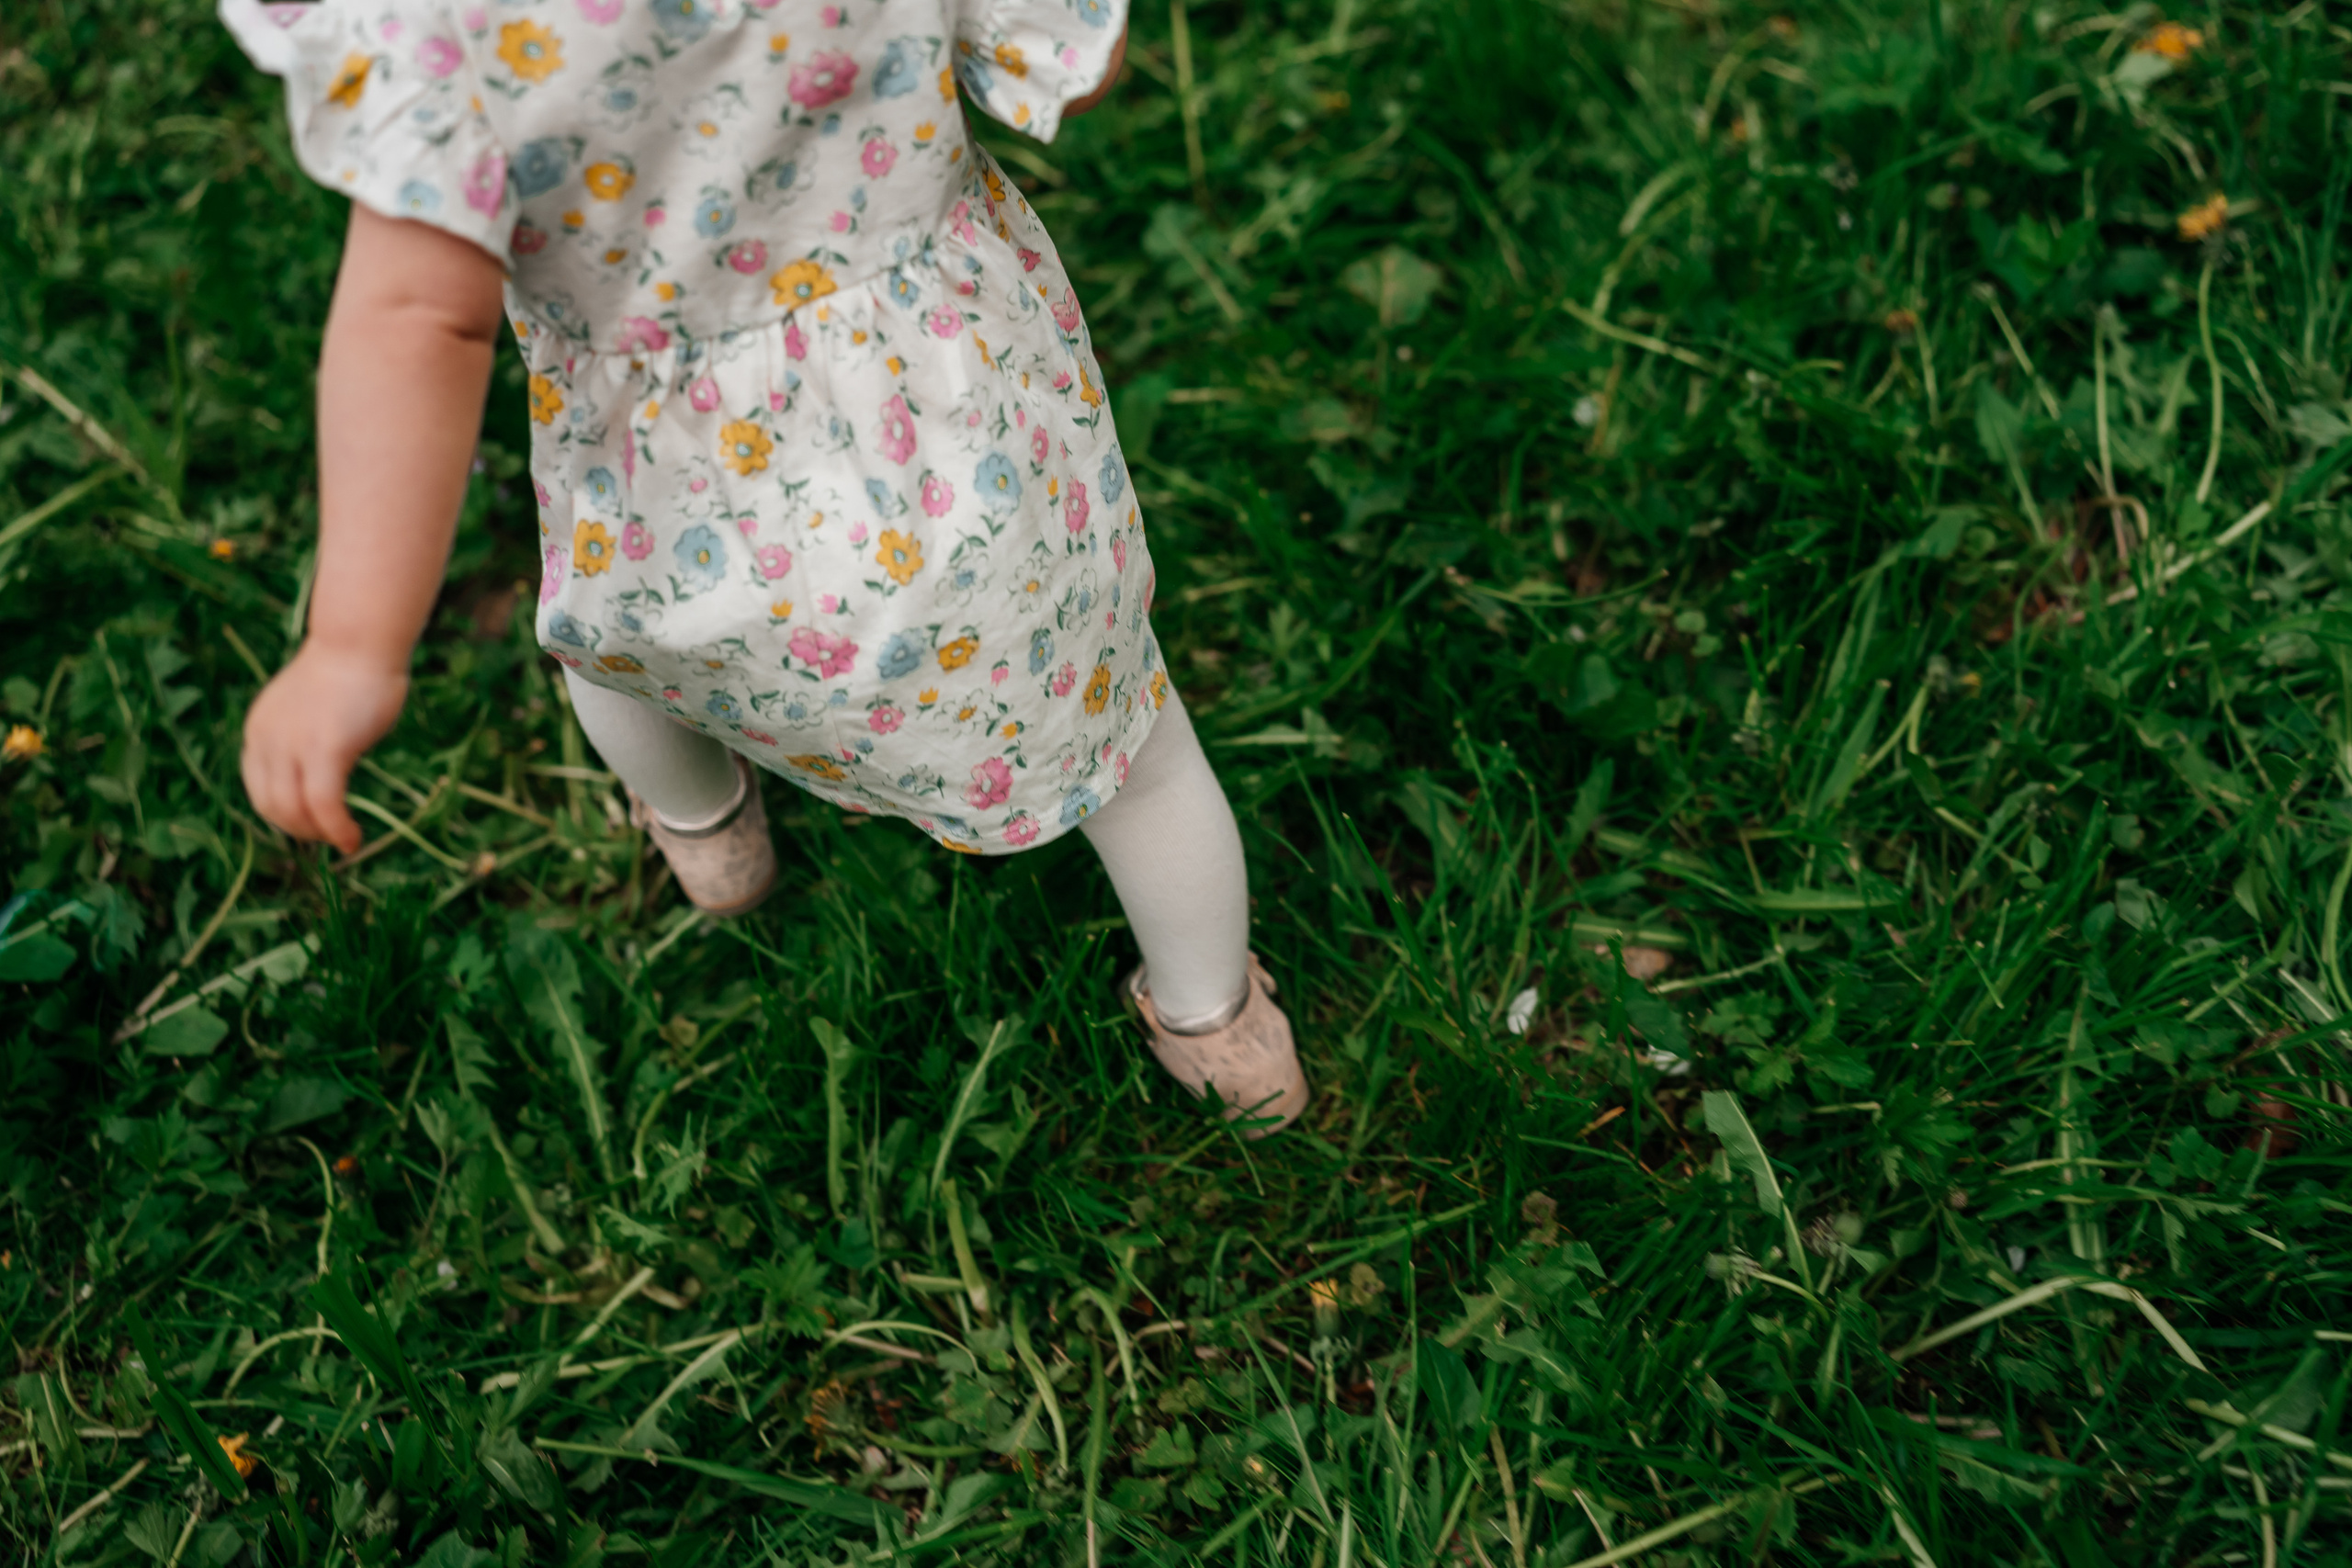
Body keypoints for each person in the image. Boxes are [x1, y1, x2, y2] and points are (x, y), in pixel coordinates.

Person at [222, 0, 1307, 1134]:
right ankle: (1215, 1021)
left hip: (665, 495)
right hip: (959, 457)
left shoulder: (439, 22)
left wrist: (352, 644)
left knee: (621, 661)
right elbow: (1076, 70)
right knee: (1132, 756)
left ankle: (708, 840)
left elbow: (413, 321)